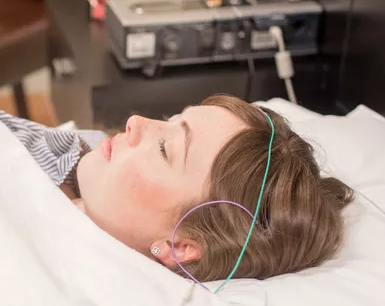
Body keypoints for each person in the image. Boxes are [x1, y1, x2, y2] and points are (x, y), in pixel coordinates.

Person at [0, 95, 353, 283]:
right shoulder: (67, 152)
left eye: (164, 149)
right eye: (169, 122)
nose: (135, 123)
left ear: (180, 246)